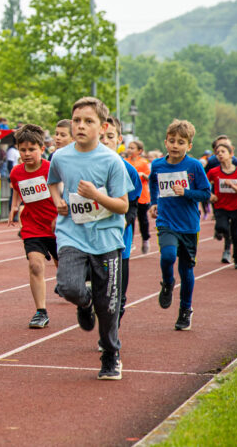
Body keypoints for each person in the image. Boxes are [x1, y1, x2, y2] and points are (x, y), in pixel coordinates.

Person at [47, 97, 130, 380]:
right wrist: (58, 199)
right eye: (77, 121)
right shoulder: (60, 157)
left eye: (88, 121)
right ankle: (84, 303)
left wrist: (96, 196)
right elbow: (53, 183)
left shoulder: (112, 161)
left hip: (106, 238)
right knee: (68, 287)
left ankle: (110, 355)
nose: (80, 126)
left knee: (108, 306)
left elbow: (122, 205)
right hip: (72, 233)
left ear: (102, 126)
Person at [149, 119, 212, 332]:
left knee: (186, 271)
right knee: (167, 256)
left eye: (181, 142)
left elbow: (206, 193)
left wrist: (186, 192)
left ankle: (185, 310)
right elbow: (152, 183)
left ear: (189, 146)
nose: (176, 146)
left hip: (189, 226)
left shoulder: (194, 166)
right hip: (166, 222)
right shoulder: (157, 165)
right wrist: (153, 203)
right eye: (172, 141)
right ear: (166, 142)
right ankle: (167, 283)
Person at [7, 124, 59, 329]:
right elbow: (16, 189)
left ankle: (80, 295)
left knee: (65, 273)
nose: (26, 154)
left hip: (57, 226)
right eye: (22, 150)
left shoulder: (51, 169)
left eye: (31, 149)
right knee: (35, 265)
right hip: (32, 226)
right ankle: (41, 311)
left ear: (42, 148)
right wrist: (14, 206)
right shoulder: (16, 172)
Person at [100, 116, 143, 326]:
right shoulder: (83, 167)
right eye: (101, 137)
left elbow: (133, 205)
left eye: (110, 137)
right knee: (96, 291)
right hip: (91, 240)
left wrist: (122, 223)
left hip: (119, 242)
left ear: (118, 140)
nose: (105, 141)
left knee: (117, 293)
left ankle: (112, 329)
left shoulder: (129, 170)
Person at [207, 141, 237, 269]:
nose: (220, 155)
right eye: (217, 153)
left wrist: (232, 186)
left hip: (236, 207)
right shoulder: (214, 172)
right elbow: (204, 185)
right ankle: (221, 232)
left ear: (231, 154)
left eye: (223, 152)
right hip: (220, 206)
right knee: (222, 227)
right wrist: (210, 195)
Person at [126, 138, 153, 254]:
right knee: (130, 219)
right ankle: (130, 242)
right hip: (129, 195)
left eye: (132, 148)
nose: (130, 150)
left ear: (139, 151)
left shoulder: (144, 163)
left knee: (143, 220)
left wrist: (142, 175)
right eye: (129, 147)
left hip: (142, 196)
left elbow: (150, 178)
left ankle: (145, 239)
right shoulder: (125, 161)